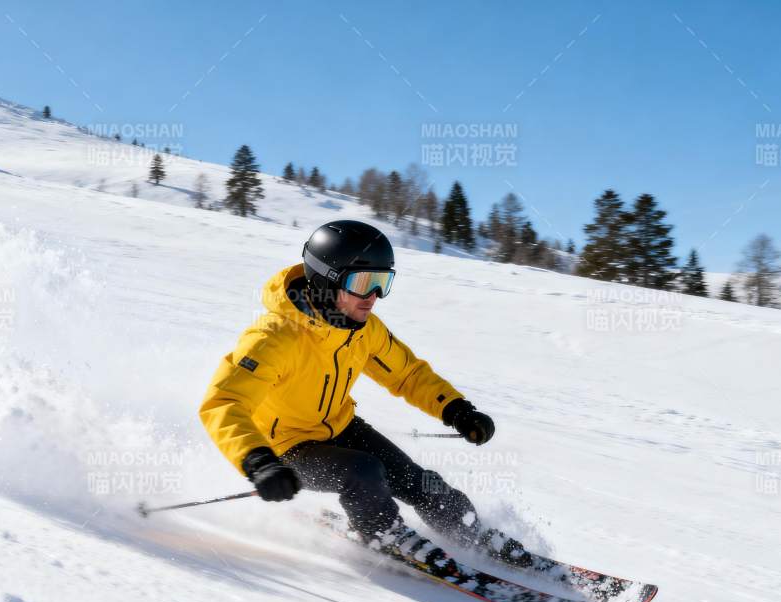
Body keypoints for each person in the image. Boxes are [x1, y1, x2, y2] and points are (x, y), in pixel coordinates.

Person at [198, 220, 535, 570]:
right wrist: (259, 462)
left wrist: (456, 410)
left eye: (382, 282)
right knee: (364, 471)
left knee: (420, 481)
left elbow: (407, 374)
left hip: (340, 426)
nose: (373, 296)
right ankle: (384, 534)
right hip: (285, 449)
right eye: (362, 283)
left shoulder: (362, 329)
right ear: (326, 280)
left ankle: (471, 531)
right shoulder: (275, 337)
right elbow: (224, 403)